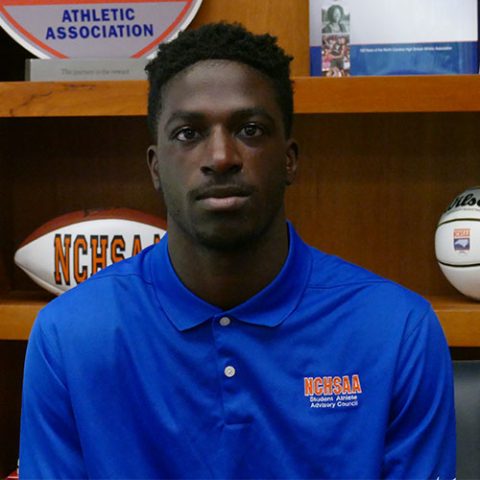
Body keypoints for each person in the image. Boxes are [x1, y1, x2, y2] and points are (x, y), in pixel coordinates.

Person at [20, 22, 455, 479]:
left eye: (250, 129)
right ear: (155, 166)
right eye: (188, 133)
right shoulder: (69, 336)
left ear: (289, 159)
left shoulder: (397, 330)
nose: (221, 157)